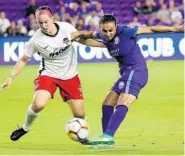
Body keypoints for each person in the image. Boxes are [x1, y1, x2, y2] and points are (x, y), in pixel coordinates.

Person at [80, 14, 184, 146]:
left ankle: (108, 136)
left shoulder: (126, 31)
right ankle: (106, 139)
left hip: (136, 71)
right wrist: (73, 39)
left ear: (116, 27)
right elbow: (89, 40)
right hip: (126, 74)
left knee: (124, 101)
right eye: (104, 31)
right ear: (100, 29)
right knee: (107, 103)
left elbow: (151, 29)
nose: (108, 33)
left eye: (111, 30)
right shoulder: (102, 36)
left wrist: (176, 29)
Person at [0, 6, 92, 143]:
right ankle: (25, 128)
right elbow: (24, 59)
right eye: (40, 23)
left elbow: (82, 39)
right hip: (48, 74)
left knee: (79, 115)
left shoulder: (66, 28)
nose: (43, 25)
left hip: (70, 75)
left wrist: (105, 44)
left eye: (46, 22)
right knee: (38, 104)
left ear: (52, 19)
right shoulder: (36, 40)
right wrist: (10, 77)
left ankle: (82, 134)